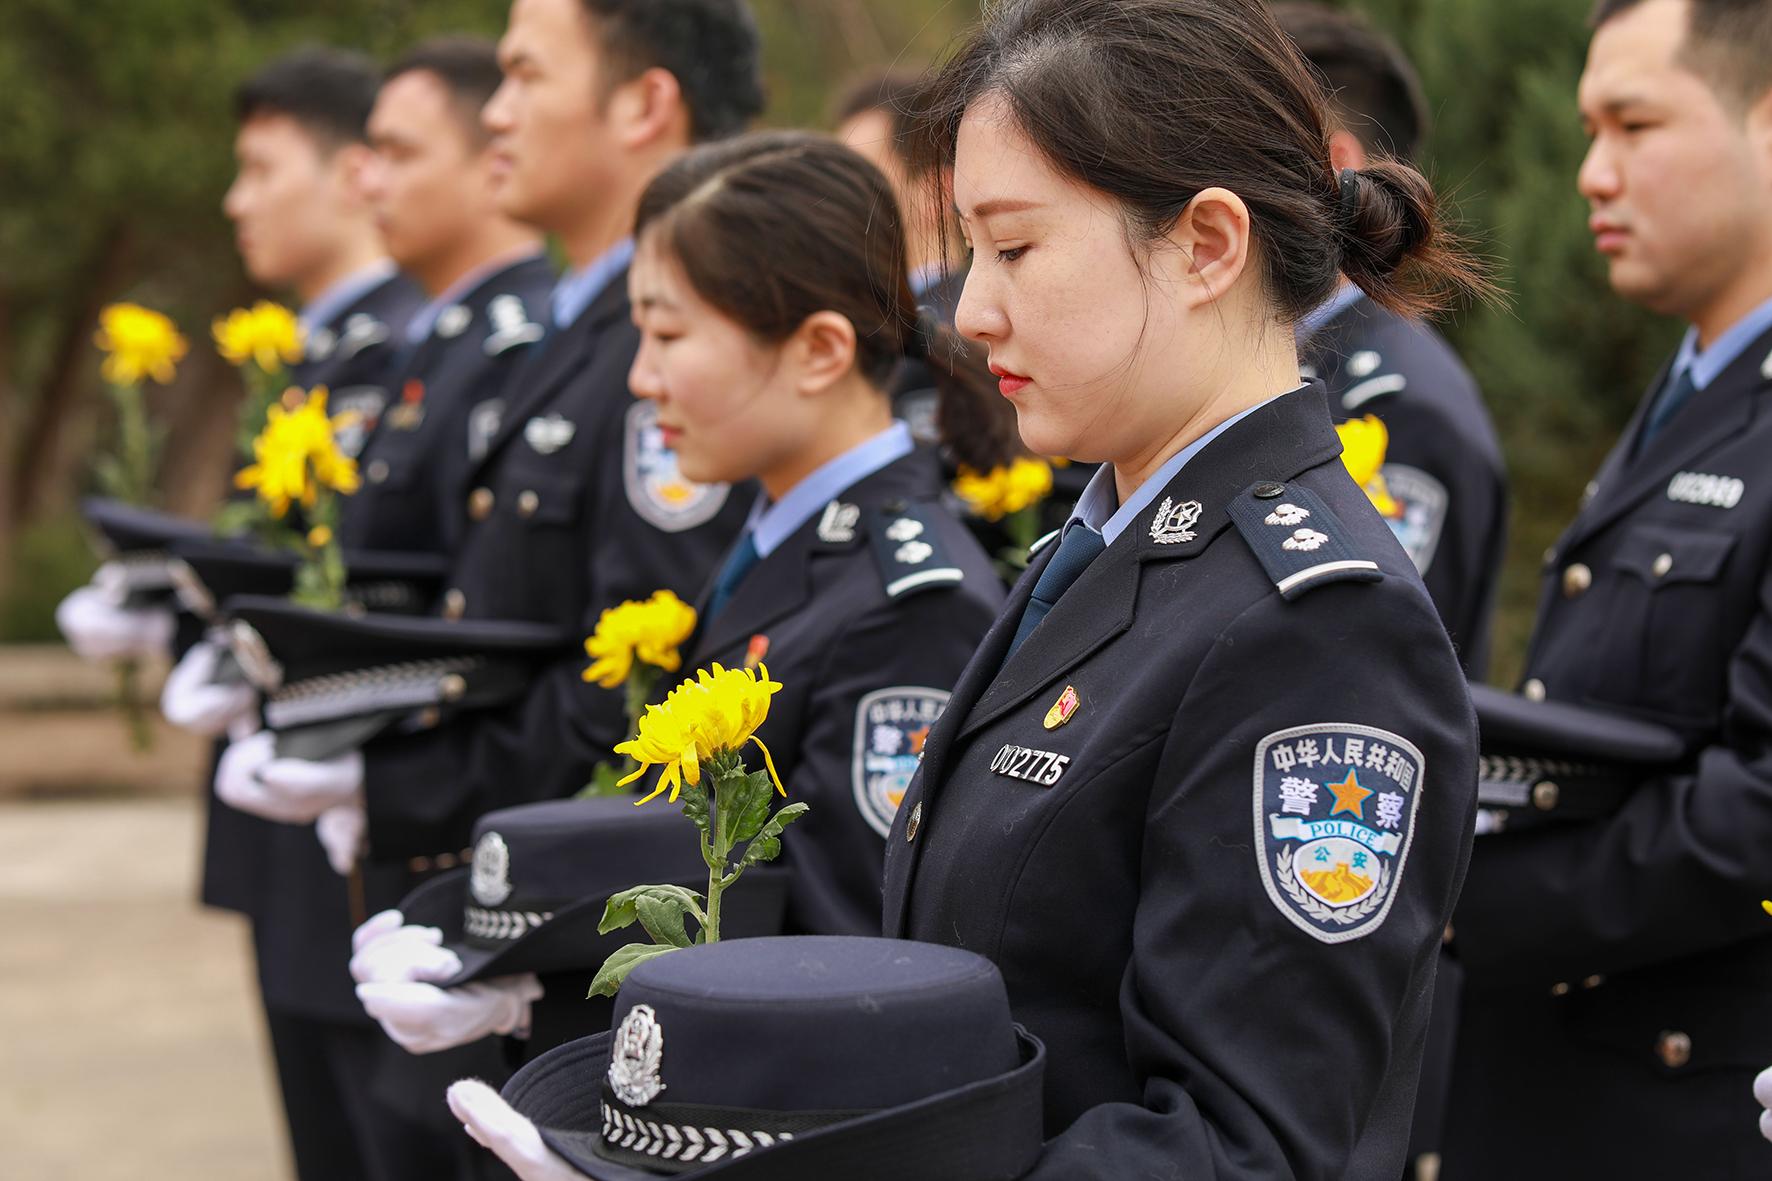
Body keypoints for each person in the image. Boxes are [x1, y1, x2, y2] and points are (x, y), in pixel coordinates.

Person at [878, 1, 1485, 1177]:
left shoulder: (1316, 628)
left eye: (1014, 248)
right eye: (970, 251)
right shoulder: (1115, 541)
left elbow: (1240, 1147)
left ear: (1206, 244)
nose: (972, 308)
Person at [353, 129, 1012, 1061]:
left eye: (667, 335)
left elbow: (845, 957)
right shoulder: (776, 539)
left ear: (818, 350)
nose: (641, 377)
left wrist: (546, 1005)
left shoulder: (908, 604)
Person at [1440, 1, 1772, 1175]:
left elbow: (1758, 810)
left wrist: (1463, 900)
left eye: (1633, 124)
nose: (1590, 173)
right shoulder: (1696, 387)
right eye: (1587, 131)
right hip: (1553, 1094)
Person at [1274, 2, 1507, 680]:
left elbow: (1372, 668)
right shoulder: (1291, 364)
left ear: (1330, 166)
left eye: (1226, 150)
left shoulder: (1405, 410)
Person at [352, 37, 557, 554]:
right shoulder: (441, 333)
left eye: (399, 154)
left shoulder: (514, 347)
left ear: (495, 162)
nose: (370, 183)